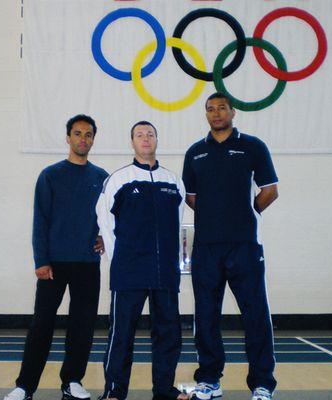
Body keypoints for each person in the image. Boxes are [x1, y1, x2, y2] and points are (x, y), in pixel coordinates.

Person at [4, 114, 109, 400]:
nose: (83, 139)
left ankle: (72, 380)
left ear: (93, 140)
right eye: (77, 134)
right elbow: (41, 220)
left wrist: (104, 238)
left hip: (87, 264)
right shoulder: (50, 175)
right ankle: (25, 385)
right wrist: (41, 260)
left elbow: (109, 218)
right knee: (42, 324)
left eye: (88, 135)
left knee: (83, 324)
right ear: (68, 138)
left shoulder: (101, 178)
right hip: (53, 264)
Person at [182, 93, 279, 400]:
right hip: (207, 248)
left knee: (255, 315)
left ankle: (263, 383)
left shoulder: (253, 147)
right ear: (206, 114)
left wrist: (244, 212)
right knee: (206, 316)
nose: (216, 113)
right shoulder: (195, 153)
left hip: (244, 246)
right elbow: (191, 197)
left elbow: (270, 190)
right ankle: (210, 380)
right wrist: (215, 215)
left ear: (232, 111)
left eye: (221, 108)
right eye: (210, 109)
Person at [96, 121, 188, 400]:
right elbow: (105, 222)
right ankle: (114, 391)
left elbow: (179, 220)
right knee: (122, 334)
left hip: (165, 275)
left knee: (168, 334)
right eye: (139, 135)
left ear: (157, 140)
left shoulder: (173, 181)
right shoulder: (118, 180)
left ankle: (164, 390)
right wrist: (121, 258)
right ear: (132, 142)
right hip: (129, 272)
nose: (145, 139)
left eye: (150, 134)